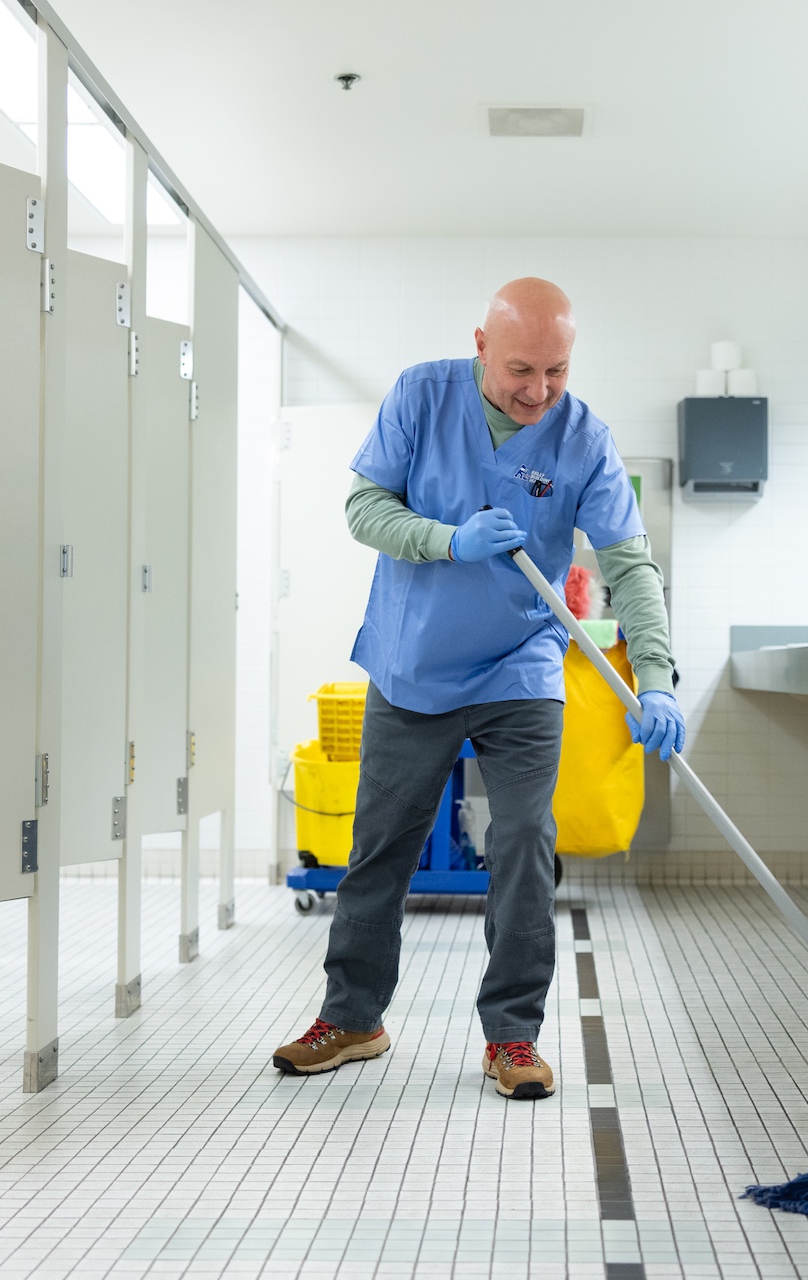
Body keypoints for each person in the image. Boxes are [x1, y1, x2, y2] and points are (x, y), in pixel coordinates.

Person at [270, 278, 684, 1099]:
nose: (538, 391)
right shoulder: (422, 396)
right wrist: (448, 539)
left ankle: (512, 1037)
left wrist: (661, 678)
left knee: (526, 839)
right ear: (481, 346)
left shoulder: (583, 438)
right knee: (381, 846)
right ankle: (353, 1018)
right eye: (520, 370)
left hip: (521, 663)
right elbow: (364, 509)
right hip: (412, 660)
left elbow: (630, 564)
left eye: (556, 372)